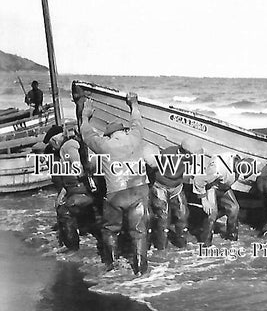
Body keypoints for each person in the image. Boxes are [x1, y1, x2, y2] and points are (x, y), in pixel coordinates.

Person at [80, 93, 150, 275]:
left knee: (110, 229)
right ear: (124, 131)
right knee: (139, 232)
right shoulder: (135, 136)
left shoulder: (104, 145)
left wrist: (85, 116)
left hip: (116, 194)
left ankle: (111, 267)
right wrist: (133, 103)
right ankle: (141, 271)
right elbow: (137, 120)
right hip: (139, 190)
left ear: (109, 135)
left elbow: (86, 134)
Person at [43, 126, 104, 258]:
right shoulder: (69, 145)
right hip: (83, 188)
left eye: (52, 144)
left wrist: (81, 173)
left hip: (83, 189)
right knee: (91, 218)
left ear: (54, 139)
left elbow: (78, 166)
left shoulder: (68, 146)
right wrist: (63, 193)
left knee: (64, 212)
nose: (53, 149)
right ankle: (99, 240)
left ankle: (72, 248)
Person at [148, 139, 203, 250]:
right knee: (163, 218)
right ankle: (161, 248)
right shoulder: (167, 154)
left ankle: (181, 245)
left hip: (177, 187)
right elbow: (151, 169)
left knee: (183, 215)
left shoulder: (189, 158)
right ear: (185, 153)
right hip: (160, 186)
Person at [192, 153, 251, 245]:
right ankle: (205, 243)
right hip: (211, 186)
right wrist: (204, 200)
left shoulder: (243, 163)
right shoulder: (217, 169)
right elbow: (199, 181)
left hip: (224, 186)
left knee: (234, 208)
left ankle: (231, 239)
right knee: (212, 213)